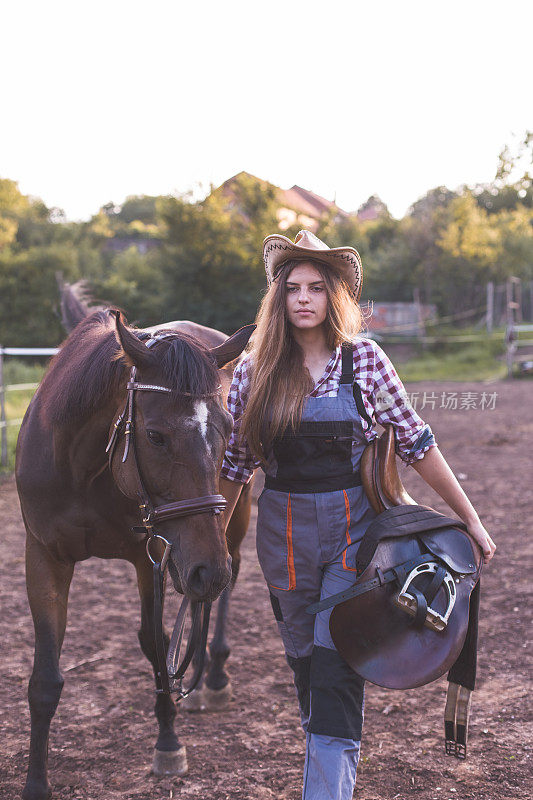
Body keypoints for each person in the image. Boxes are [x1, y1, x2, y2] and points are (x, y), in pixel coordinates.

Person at [219, 230, 496, 800]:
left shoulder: (365, 360)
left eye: (316, 288)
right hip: (283, 541)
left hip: (355, 536)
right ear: (278, 297)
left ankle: (327, 787)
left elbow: (417, 442)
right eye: (292, 288)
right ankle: (327, 750)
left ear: (334, 295)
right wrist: (212, 545)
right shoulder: (252, 373)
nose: (303, 299)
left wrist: (469, 519)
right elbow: (234, 465)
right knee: (306, 663)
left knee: (335, 663)